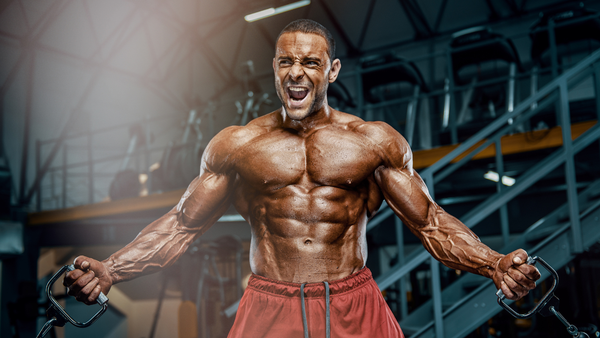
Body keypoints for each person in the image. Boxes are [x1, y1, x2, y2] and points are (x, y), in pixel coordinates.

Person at [64, 19, 541, 338]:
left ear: (330, 70)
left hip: (353, 300)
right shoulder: (237, 145)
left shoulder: (372, 142)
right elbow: (182, 224)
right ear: (274, 69)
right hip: (270, 302)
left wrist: (495, 264)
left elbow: (430, 223)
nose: (297, 73)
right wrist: (111, 270)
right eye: (286, 62)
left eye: (311, 62)